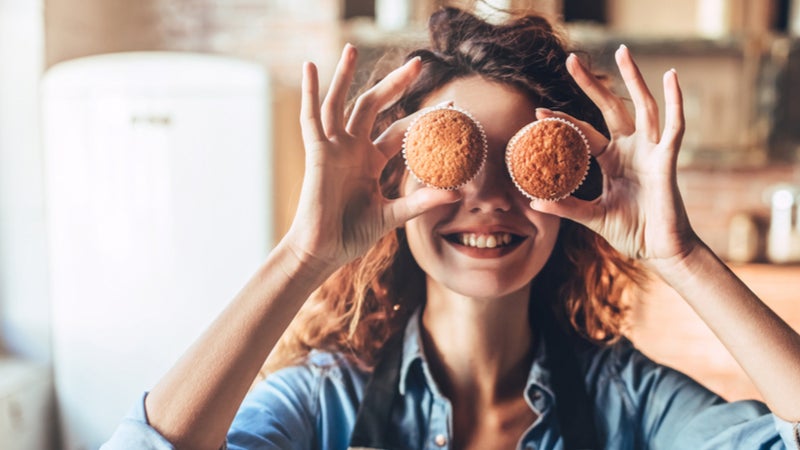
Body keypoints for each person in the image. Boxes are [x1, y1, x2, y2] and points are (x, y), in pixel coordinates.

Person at [103, 5, 800, 450]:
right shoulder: (323, 406)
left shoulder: (633, 406)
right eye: (460, 161)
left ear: (568, 190)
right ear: (394, 185)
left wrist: (680, 255)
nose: (490, 196)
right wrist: (302, 256)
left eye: (523, 167)